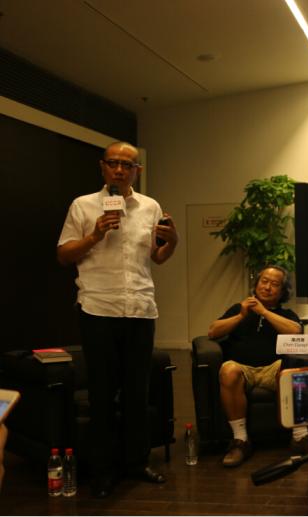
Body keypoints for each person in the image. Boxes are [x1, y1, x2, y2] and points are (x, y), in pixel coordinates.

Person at [56, 141, 178, 498]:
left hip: (140, 308)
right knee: (103, 394)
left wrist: (172, 242)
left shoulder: (150, 207)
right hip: (98, 308)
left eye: (128, 165)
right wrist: (95, 234)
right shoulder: (82, 205)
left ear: (137, 171)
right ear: (102, 167)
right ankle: (103, 470)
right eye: (114, 163)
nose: (120, 170)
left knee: (138, 392)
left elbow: (157, 257)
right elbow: (63, 255)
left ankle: (136, 462)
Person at [209, 265, 308, 468]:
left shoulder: (286, 313)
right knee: (228, 371)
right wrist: (241, 316)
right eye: (264, 281)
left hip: (273, 368)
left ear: (282, 291)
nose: (267, 287)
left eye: (274, 284)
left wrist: (264, 311)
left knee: (293, 370)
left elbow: (295, 331)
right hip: (242, 369)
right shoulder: (238, 309)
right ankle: (241, 440)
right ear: (256, 284)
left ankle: (301, 437)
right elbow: (213, 331)